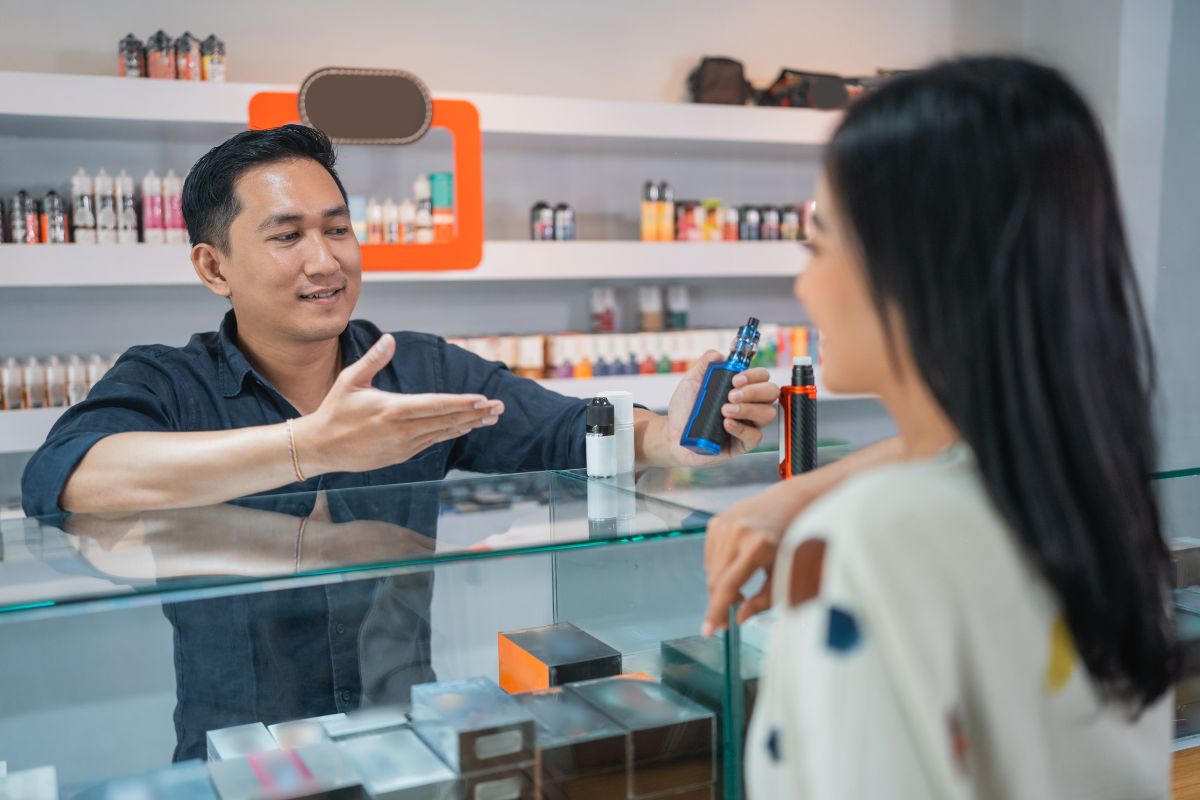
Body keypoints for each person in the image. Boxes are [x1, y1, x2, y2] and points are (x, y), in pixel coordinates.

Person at [703, 56, 1176, 798]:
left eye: (819, 244)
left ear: (916, 263)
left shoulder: (869, 539)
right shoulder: (1098, 499)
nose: (803, 283)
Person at [20, 124, 779, 517]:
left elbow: (563, 430)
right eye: (287, 236)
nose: (326, 261)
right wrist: (305, 446)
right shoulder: (168, 381)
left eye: (338, 229)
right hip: (237, 751)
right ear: (213, 267)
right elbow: (64, 479)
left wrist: (671, 435)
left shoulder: (420, 370)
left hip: (402, 728)